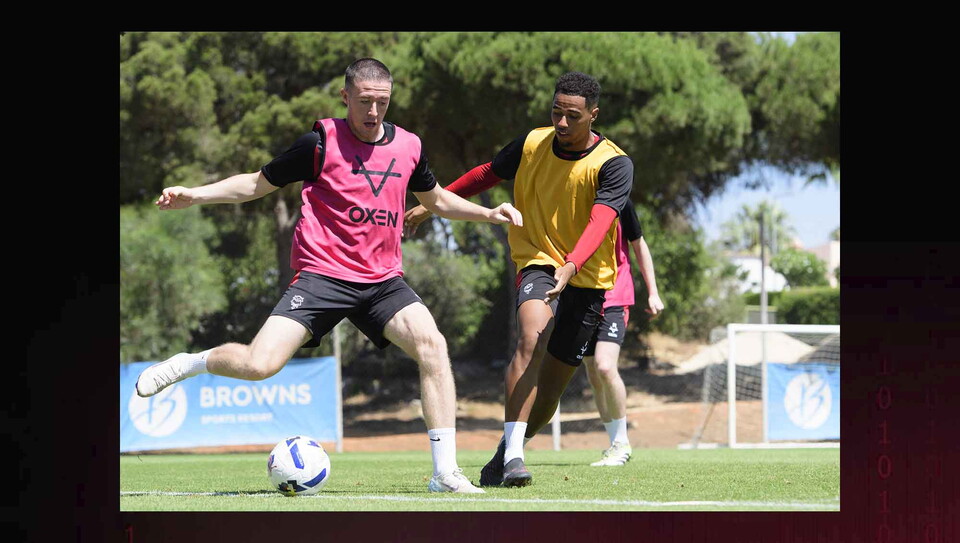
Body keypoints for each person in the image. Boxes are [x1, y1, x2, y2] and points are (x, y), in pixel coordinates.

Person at [135, 58, 523, 494]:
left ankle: (445, 472)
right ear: (345, 97)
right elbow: (255, 184)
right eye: (364, 101)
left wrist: (489, 213)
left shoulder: (410, 146)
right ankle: (191, 363)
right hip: (323, 275)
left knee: (432, 345)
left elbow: (436, 200)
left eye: (382, 102)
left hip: (382, 281)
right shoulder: (319, 143)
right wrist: (195, 195)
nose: (373, 111)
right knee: (260, 364)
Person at [404, 71, 632, 487]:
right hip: (538, 261)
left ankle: (502, 455)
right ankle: (514, 457)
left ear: (593, 115)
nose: (561, 122)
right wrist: (433, 203)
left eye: (573, 116)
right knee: (531, 338)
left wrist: (572, 265)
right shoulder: (532, 143)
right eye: (556, 112)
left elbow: (601, 221)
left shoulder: (614, 163)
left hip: (588, 279)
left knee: (552, 389)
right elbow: (486, 174)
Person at [581, 202, 664, 467]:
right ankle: (613, 443)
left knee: (605, 366)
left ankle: (621, 443)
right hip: (582, 297)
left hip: (615, 296)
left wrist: (653, 292)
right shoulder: (571, 199)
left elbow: (639, 244)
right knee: (593, 374)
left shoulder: (620, 201)